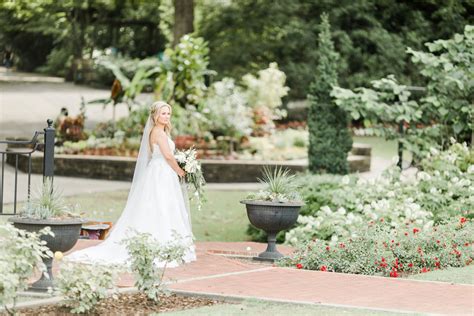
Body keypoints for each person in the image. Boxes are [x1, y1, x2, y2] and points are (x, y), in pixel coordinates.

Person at [67, 101, 196, 266]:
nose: (166, 116)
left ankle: (167, 243)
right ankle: (161, 245)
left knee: (163, 206)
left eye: (168, 113)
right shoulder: (158, 133)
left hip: (160, 172)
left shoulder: (158, 132)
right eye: (163, 113)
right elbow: (168, 156)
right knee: (161, 206)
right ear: (155, 115)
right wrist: (181, 171)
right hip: (161, 173)